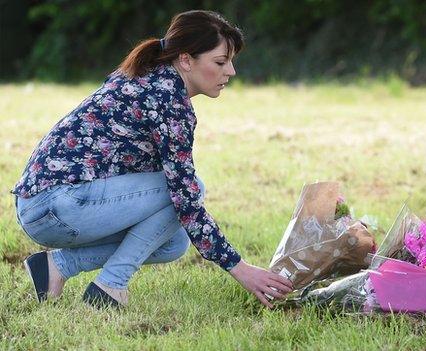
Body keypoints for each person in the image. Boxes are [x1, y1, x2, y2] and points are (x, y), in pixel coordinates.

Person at [12, 10, 293, 308]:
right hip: (59, 205)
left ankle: (57, 267)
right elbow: (185, 198)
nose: (231, 72)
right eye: (221, 62)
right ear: (186, 60)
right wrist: (241, 269)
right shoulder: (168, 100)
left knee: (172, 243)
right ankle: (110, 287)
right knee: (191, 190)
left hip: (43, 207)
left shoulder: (149, 75)